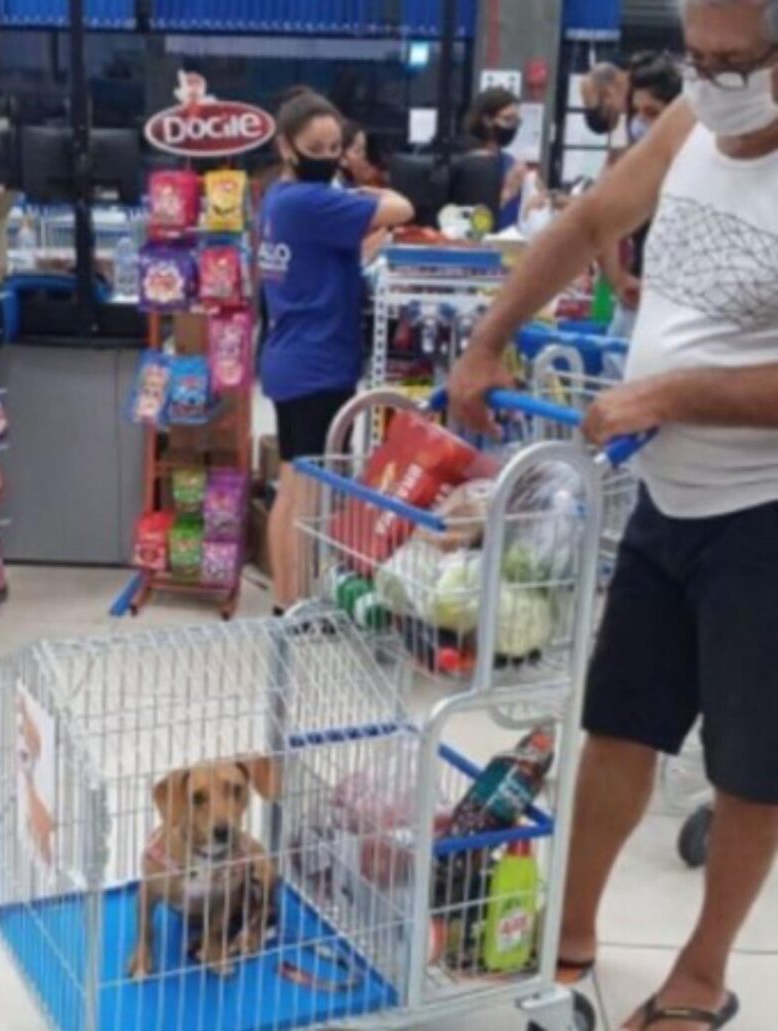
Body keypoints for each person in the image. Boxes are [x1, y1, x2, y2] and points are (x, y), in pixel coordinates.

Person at [449, 0, 778, 1027]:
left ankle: (700, 973)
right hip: (666, 497)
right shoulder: (690, 122)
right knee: (619, 726)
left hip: (764, 514)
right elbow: (590, 222)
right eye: (699, 55)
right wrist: (485, 340)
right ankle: (571, 930)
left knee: (751, 765)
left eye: (738, 60)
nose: (714, 76)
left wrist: (669, 394)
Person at [258, 92, 413, 615]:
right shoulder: (309, 201)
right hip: (315, 363)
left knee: (292, 484)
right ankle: (294, 605)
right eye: (316, 147)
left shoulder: (278, 199)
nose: (329, 156)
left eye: (335, 146)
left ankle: (288, 599)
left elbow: (319, 258)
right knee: (304, 492)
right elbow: (401, 207)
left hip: (290, 356)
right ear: (286, 146)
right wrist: (362, 192)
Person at [602, 52, 684, 338]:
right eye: (635, 112)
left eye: (652, 113)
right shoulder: (633, 166)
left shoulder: (695, 167)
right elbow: (601, 222)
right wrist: (618, 279)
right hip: (636, 307)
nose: (640, 123)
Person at [463, 87, 527, 230]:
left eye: (516, 120)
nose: (513, 126)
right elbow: (473, 220)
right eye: (507, 119)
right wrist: (508, 191)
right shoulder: (471, 160)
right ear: (487, 120)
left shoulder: (507, 160)